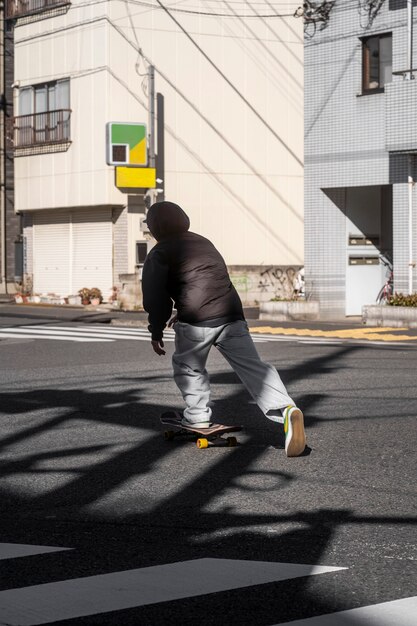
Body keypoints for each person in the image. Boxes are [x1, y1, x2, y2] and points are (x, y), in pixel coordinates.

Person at [142, 201, 306, 457]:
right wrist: (182, 311)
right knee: (255, 368)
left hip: (197, 321)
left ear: (155, 227)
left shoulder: (159, 252)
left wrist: (156, 330)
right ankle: (286, 409)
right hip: (231, 314)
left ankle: (197, 417)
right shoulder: (202, 241)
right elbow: (206, 282)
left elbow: (155, 297)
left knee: (188, 367)